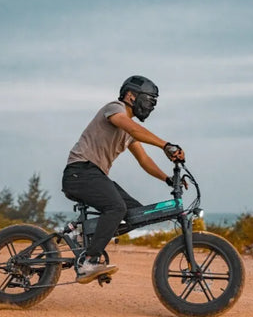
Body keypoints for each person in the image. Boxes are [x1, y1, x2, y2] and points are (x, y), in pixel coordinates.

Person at [62, 75, 185, 284]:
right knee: (116, 207)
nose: (150, 106)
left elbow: (144, 160)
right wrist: (165, 145)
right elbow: (130, 126)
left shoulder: (129, 132)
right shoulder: (114, 108)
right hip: (80, 172)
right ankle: (89, 262)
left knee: (135, 213)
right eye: (148, 100)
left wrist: (167, 179)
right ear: (130, 96)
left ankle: (81, 235)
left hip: (95, 174)